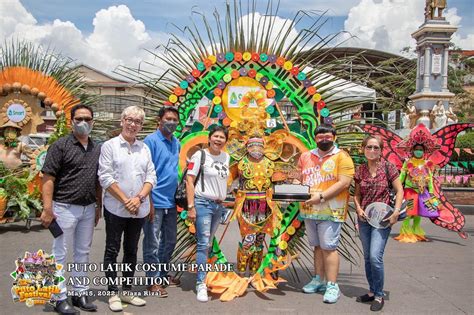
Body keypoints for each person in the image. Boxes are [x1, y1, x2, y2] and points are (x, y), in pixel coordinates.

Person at [40, 104, 101, 315]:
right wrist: (47, 209)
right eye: (79, 119)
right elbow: (48, 177)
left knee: (82, 253)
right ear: (71, 121)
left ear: (93, 122)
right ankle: (59, 297)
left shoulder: (96, 148)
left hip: (88, 208)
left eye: (87, 119)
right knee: (59, 253)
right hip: (63, 208)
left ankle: (79, 292)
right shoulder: (60, 146)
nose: (83, 123)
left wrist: (98, 206)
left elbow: (98, 181)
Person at [98, 106, 156, 312]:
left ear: (141, 126)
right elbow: (105, 177)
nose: (133, 124)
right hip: (116, 209)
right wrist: (126, 200)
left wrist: (139, 198)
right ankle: (113, 291)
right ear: (122, 121)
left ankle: (127, 290)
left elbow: (151, 177)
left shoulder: (144, 148)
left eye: (138, 121)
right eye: (129, 119)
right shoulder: (109, 146)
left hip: (138, 209)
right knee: (112, 249)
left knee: (131, 250)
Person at [297, 124, 355, 304]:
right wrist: (293, 185)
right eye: (320, 137)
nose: (324, 139)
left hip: (331, 210)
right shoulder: (306, 156)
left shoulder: (342, 157)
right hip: (309, 210)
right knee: (317, 246)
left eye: (327, 136)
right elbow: (299, 177)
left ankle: (332, 285)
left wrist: (321, 197)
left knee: (329, 247)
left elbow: (344, 183)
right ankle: (318, 279)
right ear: (315, 138)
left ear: (334, 137)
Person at [353, 136, 404, 312]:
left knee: (375, 257)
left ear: (381, 150)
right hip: (365, 219)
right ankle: (372, 291)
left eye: (376, 147)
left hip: (383, 220)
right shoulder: (360, 170)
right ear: (363, 149)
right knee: (367, 257)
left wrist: (396, 211)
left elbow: (399, 190)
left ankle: (379, 294)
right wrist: (358, 209)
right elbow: (357, 194)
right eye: (369, 147)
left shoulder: (389, 167)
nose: (372, 150)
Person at [186, 125, 230, 302]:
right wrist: (191, 207)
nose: (218, 140)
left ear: (225, 141)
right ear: (209, 138)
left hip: (218, 206)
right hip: (202, 203)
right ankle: (200, 284)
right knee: (203, 243)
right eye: (216, 136)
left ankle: (207, 277)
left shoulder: (227, 157)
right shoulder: (200, 155)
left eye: (222, 137)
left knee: (209, 243)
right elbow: (190, 180)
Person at [142, 106, 181, 297]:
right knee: (153, 243)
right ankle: (152, 281)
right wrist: (147, 201)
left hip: (171, 202)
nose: (171, 122)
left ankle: (163, 274)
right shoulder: (150, 141)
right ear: (160, 120)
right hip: (154, 201)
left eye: (175, 119)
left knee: (170, 241)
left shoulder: (176, 142)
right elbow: (144, 173)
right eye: (168, 119)